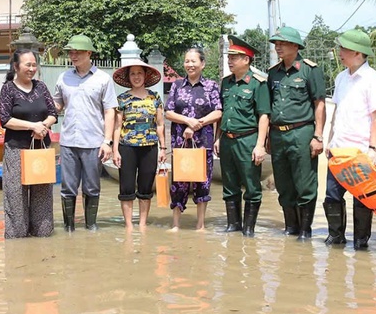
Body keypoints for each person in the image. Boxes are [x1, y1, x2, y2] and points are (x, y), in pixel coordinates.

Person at [322, 30, 376, 250]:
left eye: (343, 49)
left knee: (362, 198)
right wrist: (329, 141)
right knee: (332, 195)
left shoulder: (373, 79)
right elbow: (337, 111)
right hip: (338, 149)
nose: (339, 53)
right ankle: (336, 236)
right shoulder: (341, 78)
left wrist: (373, 148)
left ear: (357, 52)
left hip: (360, 151)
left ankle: (361, 240)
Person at [267, 26, 326, 241]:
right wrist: (267, 138)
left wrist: (318, 136)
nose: (278, 47)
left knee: (305, 183)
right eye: (276, 44)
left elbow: (319, 103)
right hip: (278, 134)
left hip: (302, 132)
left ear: (295, 45)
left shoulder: (310, 70)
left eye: (282, 43)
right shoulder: (273, 73)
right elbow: (270, 105)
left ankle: (305, 229)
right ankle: (290, 226)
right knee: (283, 184)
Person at [53, 34, 117, 232]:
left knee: (91, 187)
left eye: (78, 52)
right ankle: (69, 227)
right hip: (68, 141)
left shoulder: (103, 79)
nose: (74, 55)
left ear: (89, 53)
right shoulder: (63, 77)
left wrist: (107, 141)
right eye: (71, 52)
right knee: (67, 187)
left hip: (93, 142)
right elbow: (57, 104)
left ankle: (91, 226)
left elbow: (110, 111)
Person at [0, 49, 58, 239]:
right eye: (27, 65)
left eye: (34, 65)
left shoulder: (41, 87)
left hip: (40, 150)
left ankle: (42, 238)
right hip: (16, 149)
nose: (32, 69)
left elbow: (53, 113)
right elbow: (5, 119)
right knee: (16, 197)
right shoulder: (8, 89)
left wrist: (43, 126)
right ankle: (17, 241)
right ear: (16, 66)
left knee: (42, 197)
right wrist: (32, 126)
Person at [214, 36, 270, 237]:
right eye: (229, 56)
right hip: (228, 140)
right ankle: (233, 225)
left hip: (248, 140)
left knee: (252, 186)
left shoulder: (258, 84)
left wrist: (260, 145)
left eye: (234, 57)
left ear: (246, 60)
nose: (230, 61)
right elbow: (222, 113)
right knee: (229, 184)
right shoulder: (226, 83)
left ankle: (248, 229)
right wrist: (218, 138)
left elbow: (264, 115)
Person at [165, 47, 222, 231]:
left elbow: (218, 111)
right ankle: (175, 224)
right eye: (187, 61)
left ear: (202, 64)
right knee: (179, 182)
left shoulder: (211, 86)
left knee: (202, 181)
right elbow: (169, 112)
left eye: (193, 61)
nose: (189, 64)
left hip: (203, 142)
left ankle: (200, 224)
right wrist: (187, 120)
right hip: (180, 143)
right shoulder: (176, 85)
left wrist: (198, 123)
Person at [112, 60, 165, 230]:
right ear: (128, 77)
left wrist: (163, 148)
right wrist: (115, 151)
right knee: (126, 187)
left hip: (149, 147)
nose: (136, 76)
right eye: (132, 73)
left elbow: (160, 125)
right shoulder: (122, 99)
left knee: (145, 187)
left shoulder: (155, 97)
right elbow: (117, 126)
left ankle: (142, 224)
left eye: (139, 73)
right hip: (127, 147)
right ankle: (129, 226)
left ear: (145, 76)